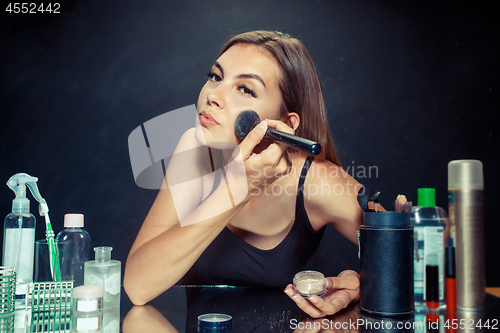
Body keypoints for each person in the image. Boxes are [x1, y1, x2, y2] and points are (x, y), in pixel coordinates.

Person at [124, 30, 365, 318]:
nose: (213, 95)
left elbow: (422, 254)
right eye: (216, 76)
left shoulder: (316, 180)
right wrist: (236, 188)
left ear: (285, 124)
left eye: (245, 89)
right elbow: (137, 286)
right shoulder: (196, 150)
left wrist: (362, 284)